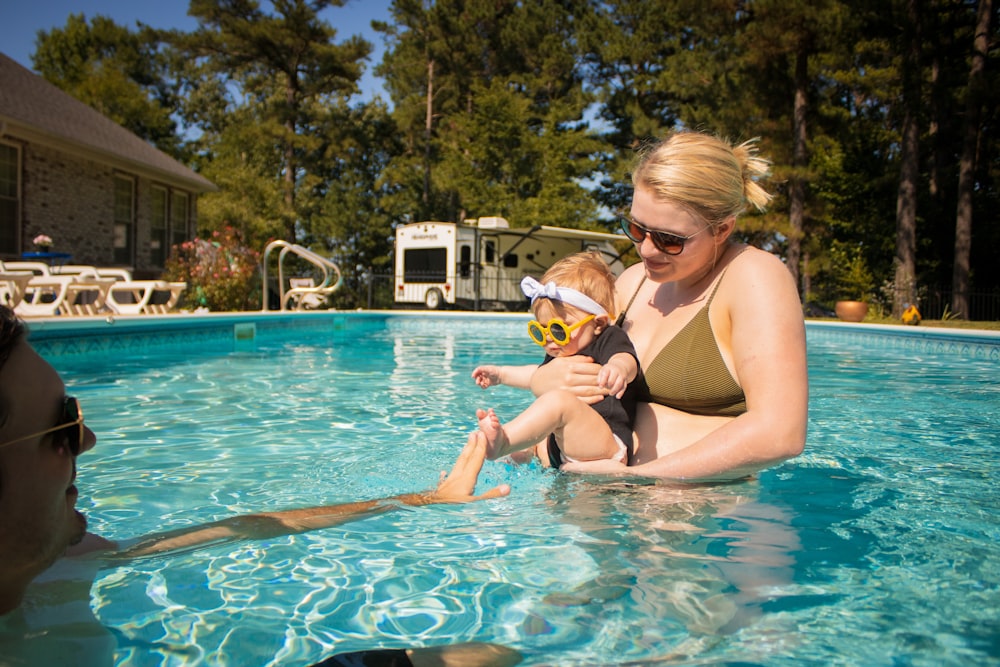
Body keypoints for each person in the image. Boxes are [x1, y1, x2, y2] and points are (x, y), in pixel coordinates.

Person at [0, 305, 517, 666]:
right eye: (62, 426)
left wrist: (423, 499)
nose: (87, 440)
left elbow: (248, 527)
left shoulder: (63, 559)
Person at [530, 131, 808, 481]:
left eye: (669, 239)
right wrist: (543, 380)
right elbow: (571, 355)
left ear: (722, 229)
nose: (646, 249)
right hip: (607, 492)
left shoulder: (754, 278)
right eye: (637, 228)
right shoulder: (633, 282)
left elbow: (780, 433)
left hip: (699, 507)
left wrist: (640, 479)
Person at [472, 252, 640, 467]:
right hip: (560, 445)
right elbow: (535, 375)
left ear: (597, 324)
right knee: (535, 427)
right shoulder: (561, 350)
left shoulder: (608, 337)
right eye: (540, 331)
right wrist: (501, 374)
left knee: (558, 402)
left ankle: (505, 441)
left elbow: (626, 358)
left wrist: (619, 368)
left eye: (559, 330)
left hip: (604, 444)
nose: (549, 339)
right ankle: (514, 454)